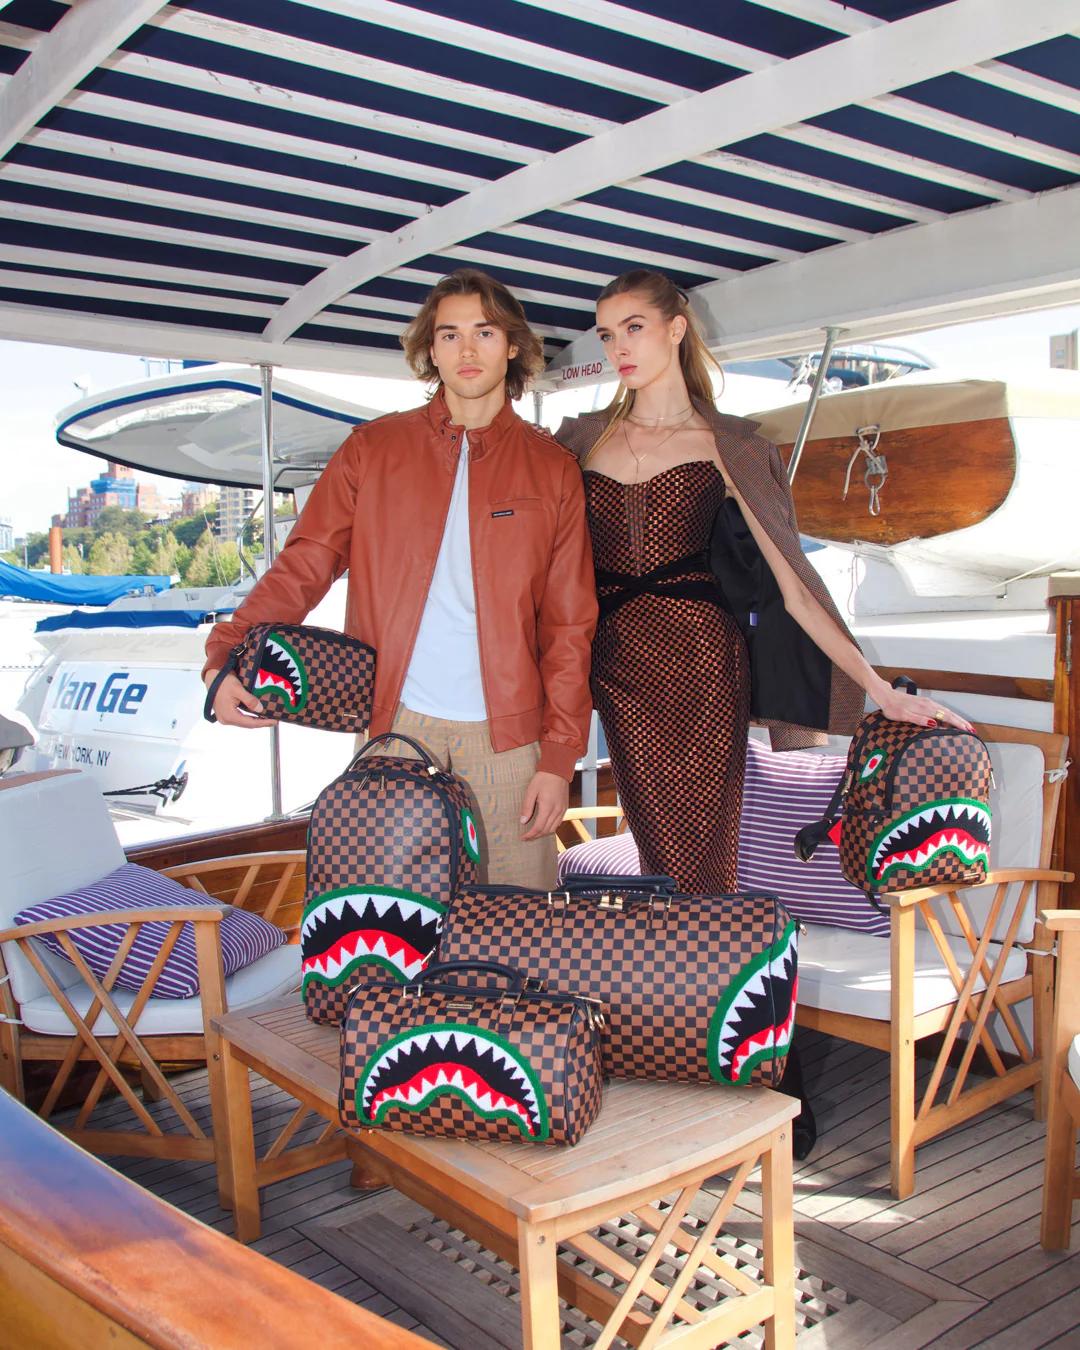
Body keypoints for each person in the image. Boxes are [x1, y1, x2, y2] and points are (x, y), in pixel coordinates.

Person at [555, 268, 973, 1152]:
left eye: (634, 327)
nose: (618, 347)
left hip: (702, 665)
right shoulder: (581, 439)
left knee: (699, 875)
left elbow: (794, 581)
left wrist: (882, 691)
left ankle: (762, 1084)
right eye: (606, 333)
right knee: (667, 874)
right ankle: (727, 1071)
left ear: (676, 329)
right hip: (618, 671)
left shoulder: (728, 442)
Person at [204, 268, 597, 889]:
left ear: (512, 346)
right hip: (394, 728)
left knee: (517, 927)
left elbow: (569, 626)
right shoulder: (373, 449)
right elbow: (306, 564)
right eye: (449, 335)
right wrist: (225, 655)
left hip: (512, 742)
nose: (467, 350)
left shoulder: (553, 468)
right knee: (400, 922)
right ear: (431, 350)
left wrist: (559, 756)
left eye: (485, 332)